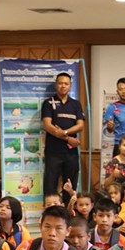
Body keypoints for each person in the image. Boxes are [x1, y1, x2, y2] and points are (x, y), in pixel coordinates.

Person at [41, 72, 85, 200]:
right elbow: (48, 126)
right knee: (50, 185)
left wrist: (64, 132)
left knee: (70, 186)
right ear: (56, 85)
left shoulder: (76, 104)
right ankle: (50, 209)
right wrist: (68, 138)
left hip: (71, 153)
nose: (63, 86)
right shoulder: (48, 103)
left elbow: (80, 126)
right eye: (60, 83)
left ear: (70, 86)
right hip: (53, 152)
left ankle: (68, 209)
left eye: (66, 83)